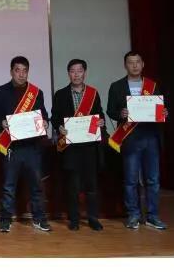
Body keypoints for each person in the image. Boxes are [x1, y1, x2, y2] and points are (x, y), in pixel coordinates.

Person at [106, 51, 169, 230]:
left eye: (137, 62)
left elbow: (160, 108)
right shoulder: (117, 86)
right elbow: (110, 110)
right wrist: (121, 113)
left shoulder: (152, 85)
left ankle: (152, 216)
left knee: (153, 180)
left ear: (143, 64)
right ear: (125, 65)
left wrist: (164, 112)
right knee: (131, 180)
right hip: (130, 138)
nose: (134, 65)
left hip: (150, 136)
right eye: (130, 62)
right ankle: (133, 214)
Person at [0, 55, 50, 232]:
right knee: (8, 187)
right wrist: (1, 122)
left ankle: (39, 219)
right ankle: (5, 220)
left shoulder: (36, 92)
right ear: (11, 72)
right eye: (18, 70)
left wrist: (45, 122)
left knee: (36, 186)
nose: (21, 74)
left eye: (25, 71)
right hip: (12, 147)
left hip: (32, 146)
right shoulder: (1, 91)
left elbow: (43, 114)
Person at [50, 58, 105, 231]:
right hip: (71, 147)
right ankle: (74, 219)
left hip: (89, 146)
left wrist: (101, 121)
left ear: (84, 73)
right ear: (68, 74)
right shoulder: (60, 94)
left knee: (91, 186)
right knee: (72, 186)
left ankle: (93, 218)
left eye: (79, 71)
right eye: (73, 71)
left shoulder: (93, 93)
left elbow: (99, 114)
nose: (76, 74)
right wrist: (59, 127)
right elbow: (55, 117)